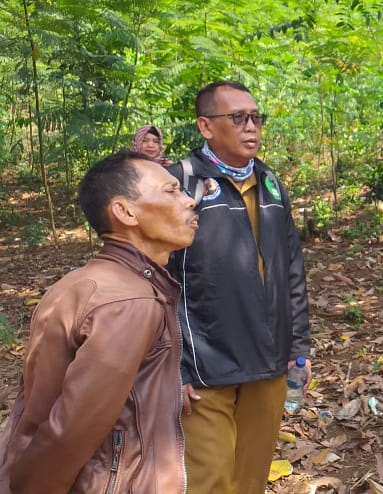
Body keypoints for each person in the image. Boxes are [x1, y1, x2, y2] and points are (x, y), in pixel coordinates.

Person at [0, 150, 198, 493]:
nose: (189, 201)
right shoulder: (130, 301)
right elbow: (69, 431)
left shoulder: (87, 281)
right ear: (125, 211)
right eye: (171, 191)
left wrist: (164, 391)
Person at [166, 81, 311, 494]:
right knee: (209, 480)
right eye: (238, 118)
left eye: (255, 118)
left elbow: (291, 270)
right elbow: (160, 281)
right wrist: (173, 367)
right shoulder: (180, 184)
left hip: (268, 361)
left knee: (250, 479)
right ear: (206, 126)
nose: (251, 127)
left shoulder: (268, 182)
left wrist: (299, 347)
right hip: (205, 366)